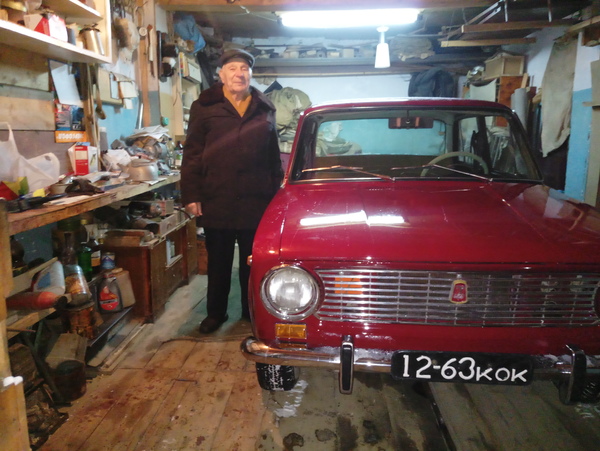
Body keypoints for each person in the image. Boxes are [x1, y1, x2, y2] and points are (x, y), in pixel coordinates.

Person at [181, 49, 283, 333]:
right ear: (221, 75)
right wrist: (191, 195)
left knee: (254, 261)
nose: (240, 74)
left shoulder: (264, 107)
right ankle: (216, 313)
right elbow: (192, 153)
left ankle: (251, 312)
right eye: (233, 68)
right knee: (219, 260)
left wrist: (277, 195)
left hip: (256, 198)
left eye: (245, 69)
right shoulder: (204, 106)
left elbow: (273, 156)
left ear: (251, 74)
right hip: (218, 196)